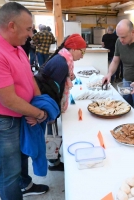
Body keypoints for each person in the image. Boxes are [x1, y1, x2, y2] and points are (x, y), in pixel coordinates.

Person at [0, 2, 50, 199]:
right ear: (12, 25)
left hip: (17, 116)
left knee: (21, 156)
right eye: (28, 29)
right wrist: (39, 114)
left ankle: (25, 184)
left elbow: (29, 78)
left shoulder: (15, 47)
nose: (31, 34)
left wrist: (39, 103)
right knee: (9, 173)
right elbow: (9, 100)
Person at [35, 34, 86, 171]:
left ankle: (53, 159)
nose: (82, 56)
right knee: (51, 132)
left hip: (48, 101)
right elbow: (53, 91)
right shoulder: (61, 64)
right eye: (82, 51)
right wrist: (51, 112)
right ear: (74, 49)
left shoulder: (62, 59)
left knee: (52, 131)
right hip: (47, 103)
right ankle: (53, 161)